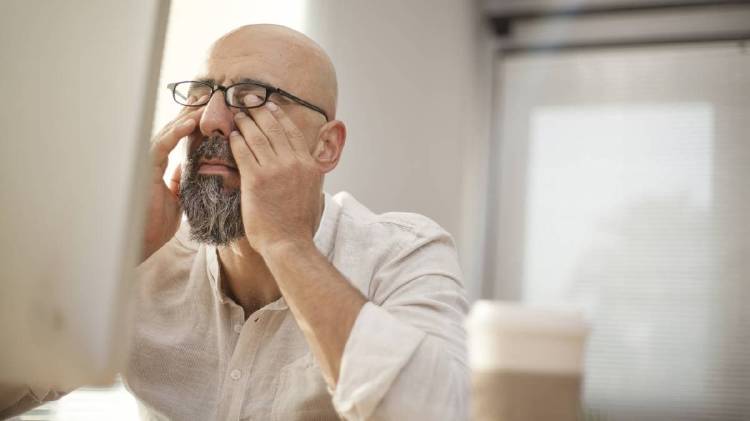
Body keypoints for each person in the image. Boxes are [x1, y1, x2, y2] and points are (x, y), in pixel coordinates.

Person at [0, 24, 468, 420]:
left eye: (251, 97)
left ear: (326, 146)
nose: (210, 119)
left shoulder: (403, 253)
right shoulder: (148, 254)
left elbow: (436, 411)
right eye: (203, 94)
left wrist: (287, 244)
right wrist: (114, 256)